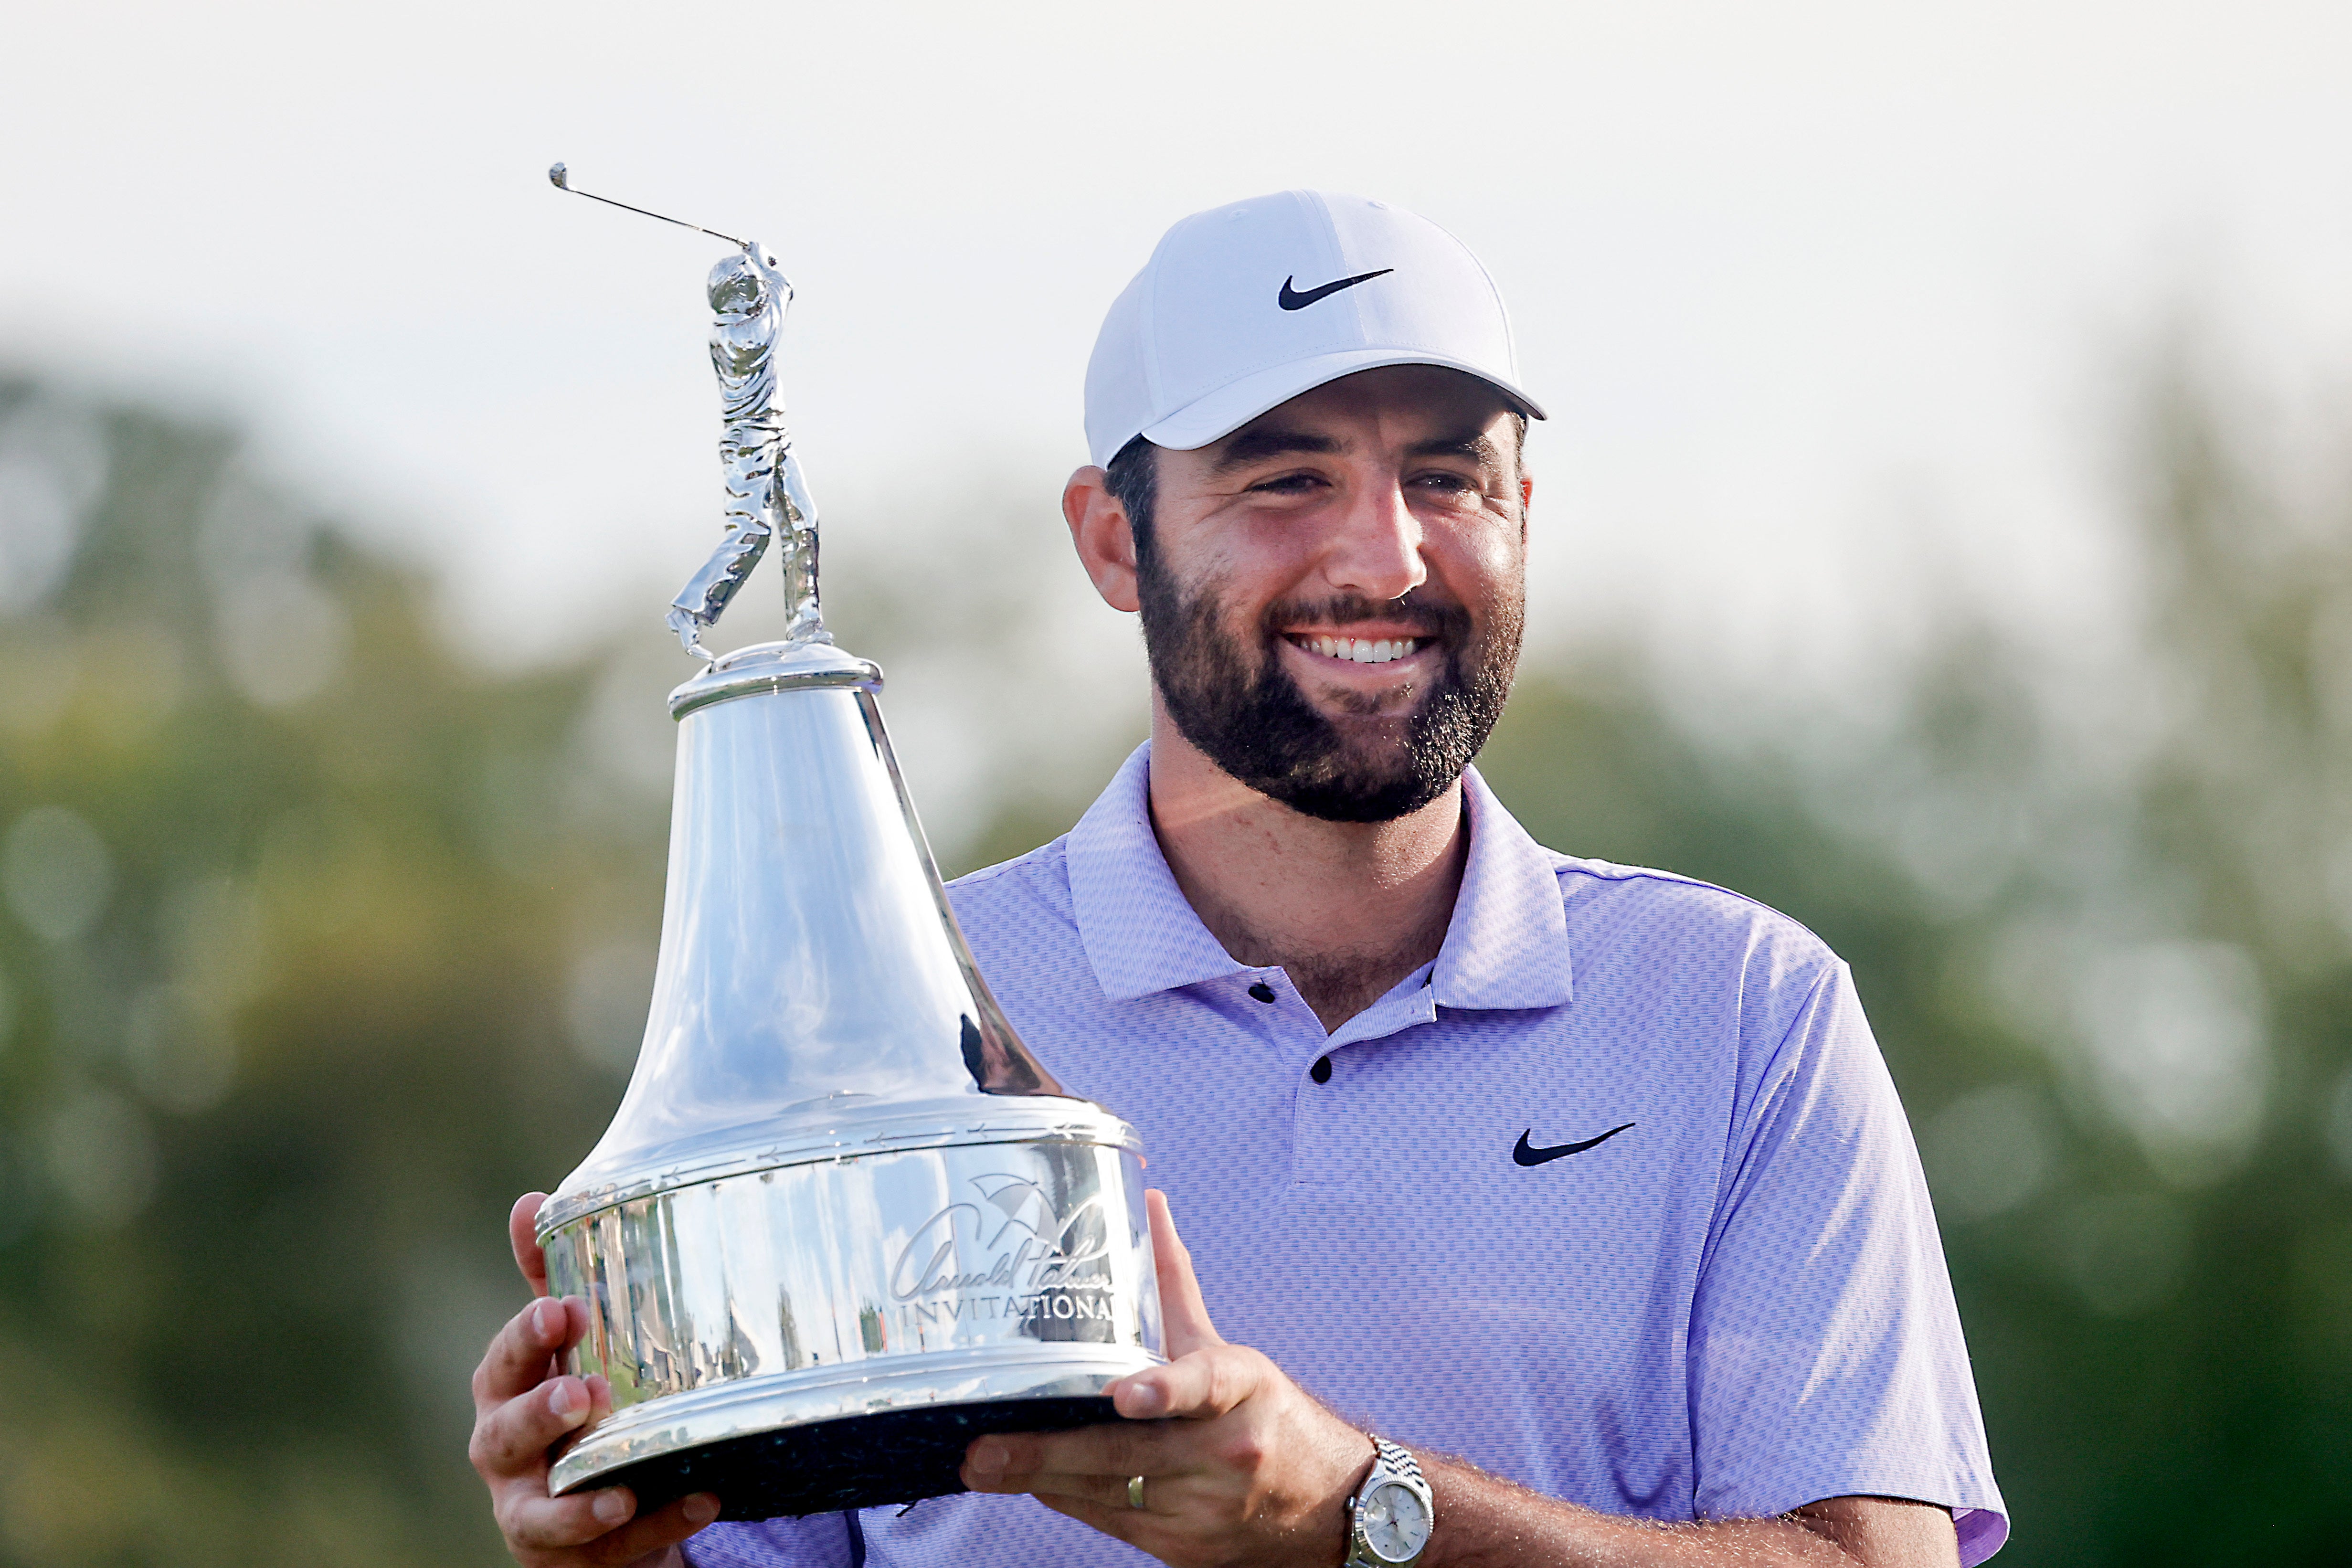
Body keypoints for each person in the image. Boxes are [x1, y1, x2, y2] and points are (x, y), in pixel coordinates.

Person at [470, 190, 2008, 1568]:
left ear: (1526, 509)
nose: (1386, 556)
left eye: (1448, 478)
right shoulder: (893, 1025)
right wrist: (609, 1552)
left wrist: (1348, 1509)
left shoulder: (1743, 1013)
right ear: (1113, 540)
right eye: (1285, 479)